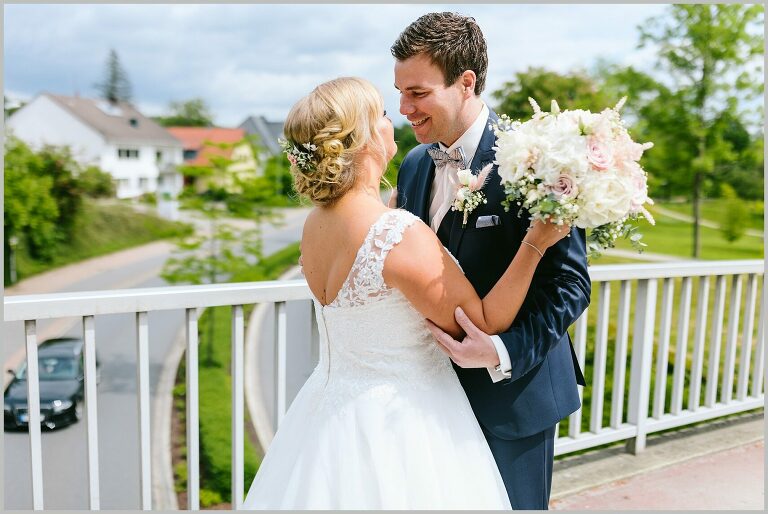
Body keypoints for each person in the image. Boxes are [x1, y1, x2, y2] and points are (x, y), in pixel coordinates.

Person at [241, 76, 570, 509]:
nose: (392, 117)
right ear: (360, 141)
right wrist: (536, 244)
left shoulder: (316, 224)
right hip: (405, 424)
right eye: (379, 112)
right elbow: (486, 323)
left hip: (330, 412)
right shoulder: (396, 232)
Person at [391, 12, 591, 510]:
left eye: (417, 93)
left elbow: (570, 284)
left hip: (512, 398)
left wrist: (501, 352)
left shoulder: (539, 159)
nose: (403, 108)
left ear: (465, 83)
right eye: (399, 92)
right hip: (431, 394)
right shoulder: (415, 163)